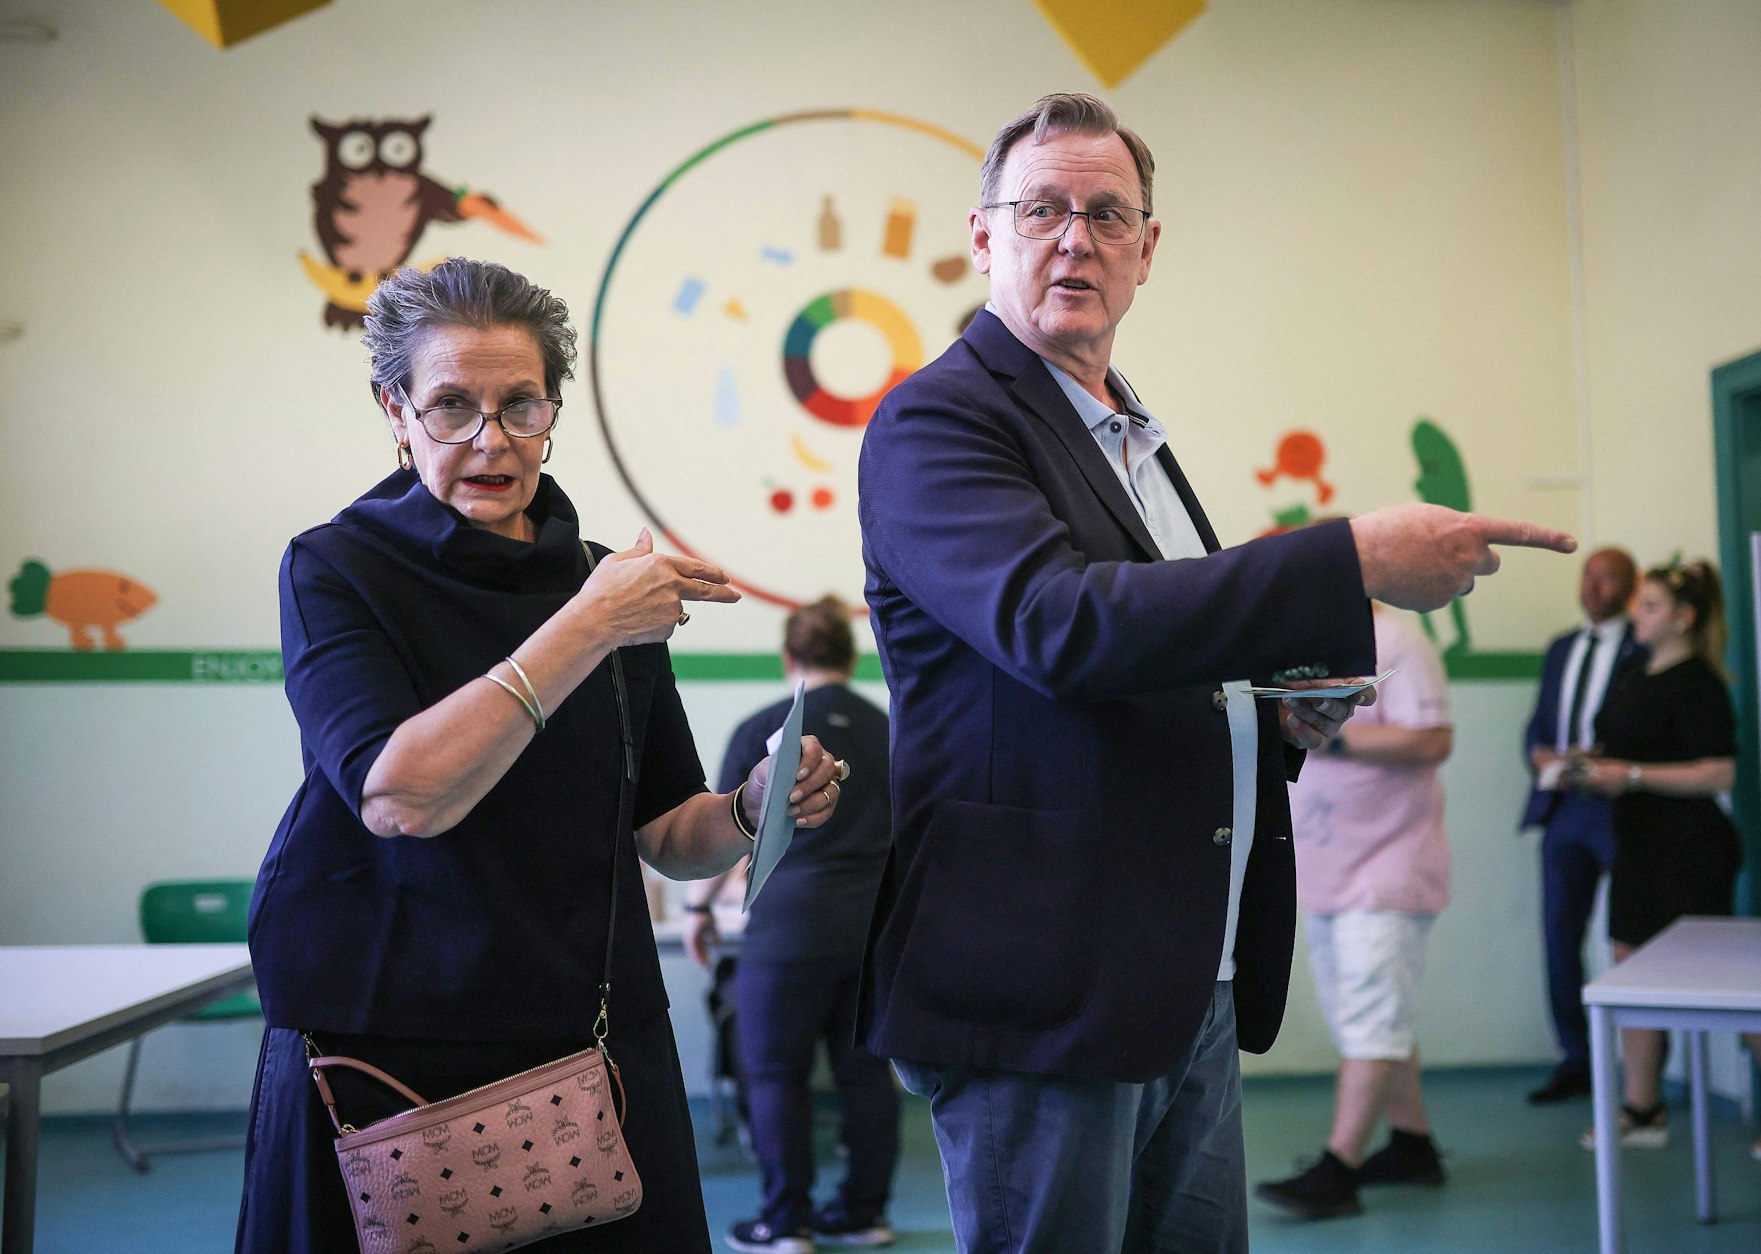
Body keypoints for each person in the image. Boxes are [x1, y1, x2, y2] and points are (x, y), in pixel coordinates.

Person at [854, 91, 1576, 1252]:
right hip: (1046, 986)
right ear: (983, 236)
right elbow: (1057, 627)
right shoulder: (937, 422)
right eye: (1041, 209)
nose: (1074, 239)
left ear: (1148, 249)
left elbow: (1156, 642)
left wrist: (1263, 707)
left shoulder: (1132, 433)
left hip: (1186, 968)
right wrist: (1350, 556)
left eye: (1105, 214)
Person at [236, 258, 848, 1253]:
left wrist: (746, 809)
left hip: (592, 1035)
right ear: (393, 410)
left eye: (521, 405)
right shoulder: (336, 568)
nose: (491, 440)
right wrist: (588, 624)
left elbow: (667, 833)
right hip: (388, 1045)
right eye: (451, 407)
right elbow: (399, 798)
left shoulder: (612, 583)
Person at [1571, 560, 1761, 1162]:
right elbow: (1623, 747)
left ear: (1685, 619)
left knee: (1725, 981)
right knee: (1628, 963)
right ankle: (1643, 1105)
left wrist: (1630, 775)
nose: (1640, 614)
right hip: (1636, 844)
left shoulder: (1698, 683)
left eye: (1654, 606)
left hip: (1690, 850)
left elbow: (1719, 770)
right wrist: (1586, 763)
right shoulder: (1635, 672)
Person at [682, 597, 899, 1253]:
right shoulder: (889, 727)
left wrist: (698, 912)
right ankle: (865, 1214)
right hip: (870, 928)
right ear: (848, 654)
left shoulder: (761, 726)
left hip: (787, 929)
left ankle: (786, 1223)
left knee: (774, 1074)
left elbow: (728, 832)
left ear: (788, 657)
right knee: (866, 1074)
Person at [1256, 603, 1454, 1220]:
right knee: (1366, 1011)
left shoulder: (1398, 640)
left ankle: (1338, 1169)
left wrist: (1335, 737)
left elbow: (1434, 737)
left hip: (1386, 864)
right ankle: (1412, 1144)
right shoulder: (1303, 635)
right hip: (1329, 865)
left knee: (1372, 1013)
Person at [1520, 546, 1642, 1104]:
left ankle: (1641, 1072)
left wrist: (1606, 755)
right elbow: (1538, 727)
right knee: (1559, 935)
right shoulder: (1562, 648)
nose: (1594, 588)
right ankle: (1577, 1059)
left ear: (1630, 587)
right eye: (1588, 577)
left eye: (1608, 579)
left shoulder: (1643, 647)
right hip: (1563, 807)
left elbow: (1649, 727)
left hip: (1618, 808)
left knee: (1632, 937)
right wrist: (1542, 757)